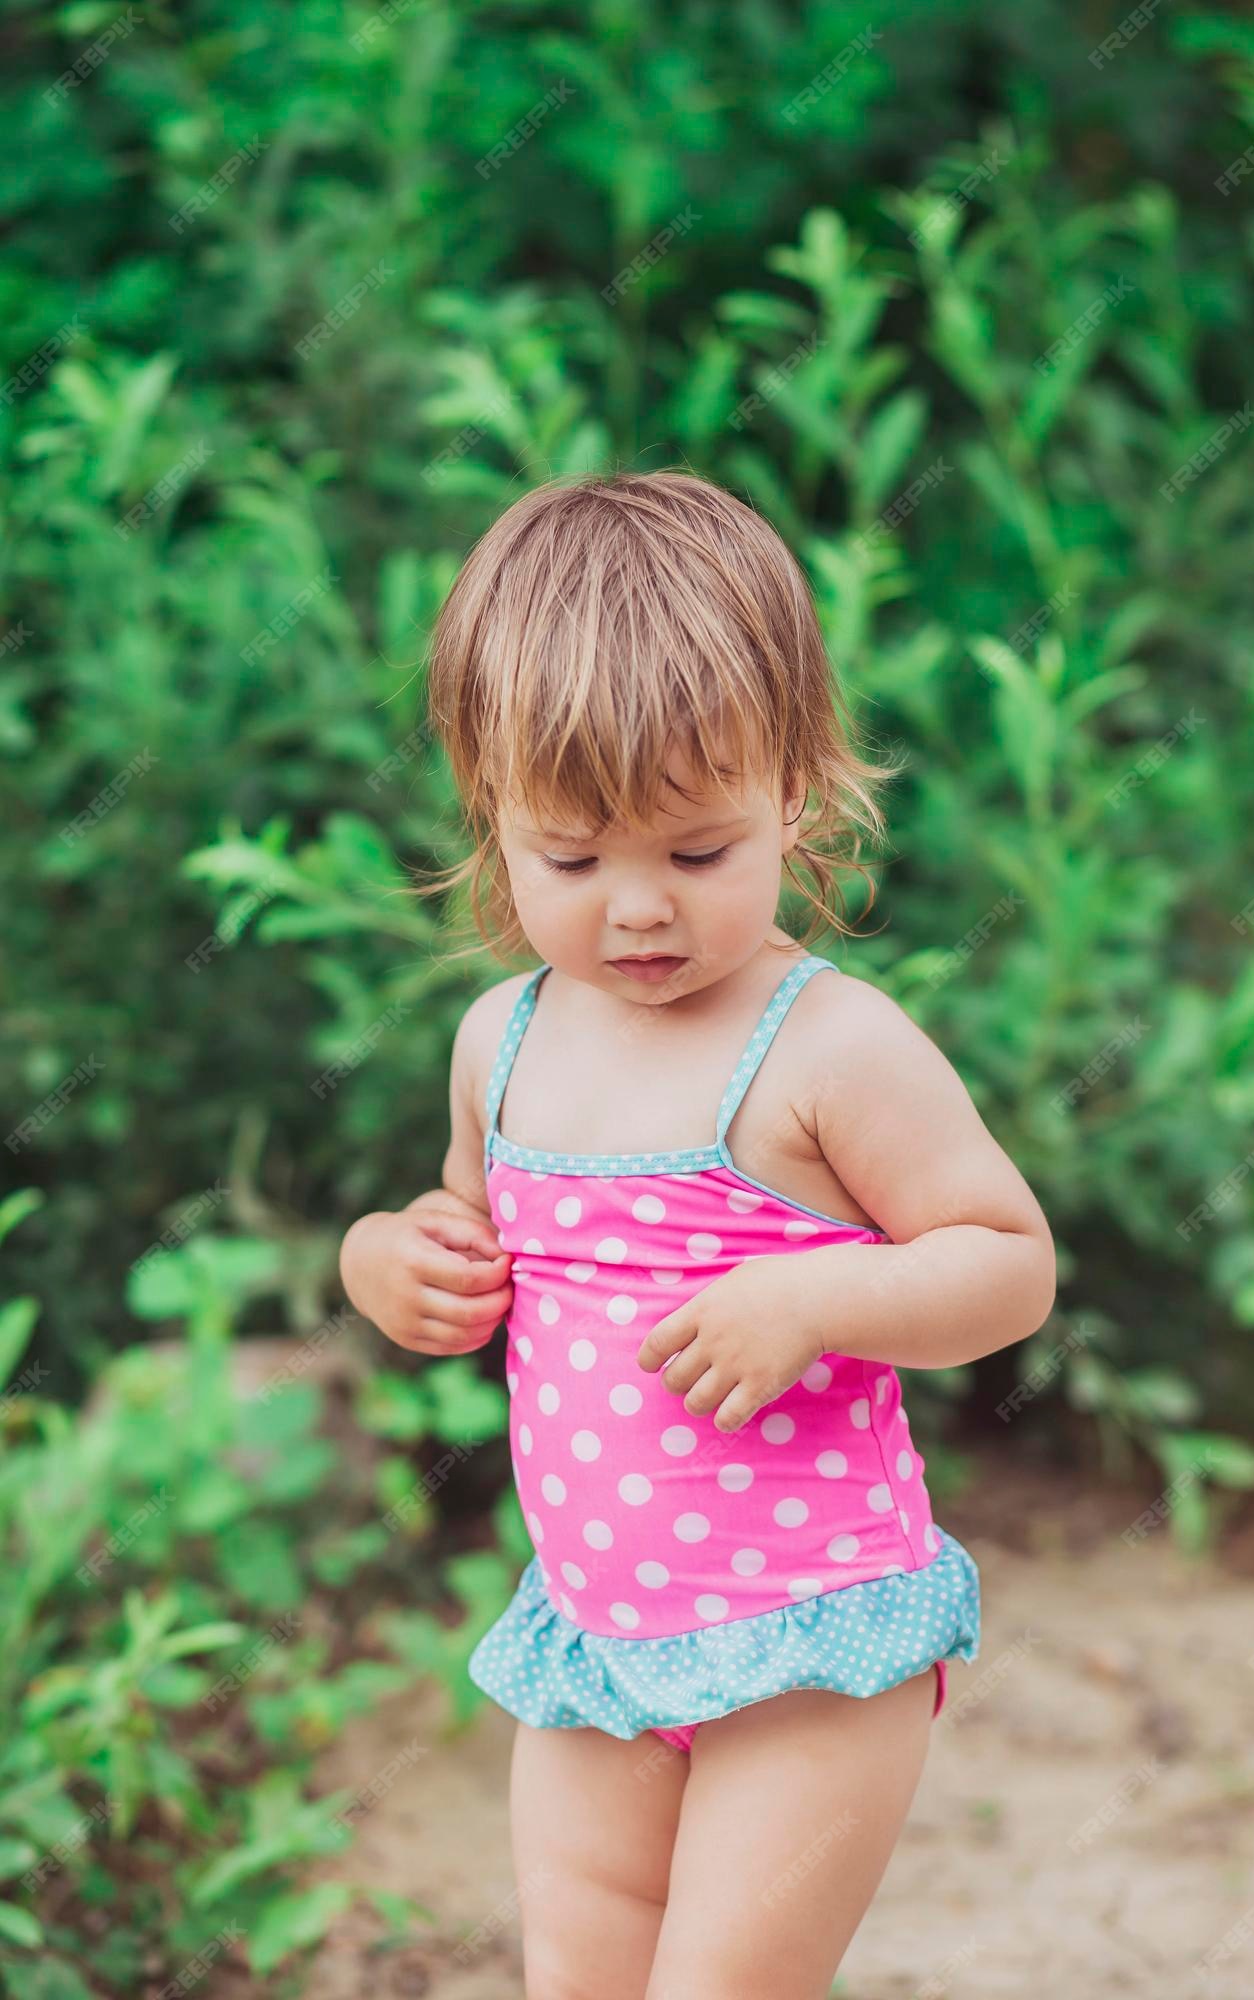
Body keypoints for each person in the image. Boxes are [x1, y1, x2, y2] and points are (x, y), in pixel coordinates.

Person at [339, 468, 1057, 1999]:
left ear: (791, 793)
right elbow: (464, 1232)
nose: (637, 911)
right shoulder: (503, 1039)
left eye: (697, 851)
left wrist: (817, 1300)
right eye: (573, 859)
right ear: (494, 819)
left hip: (810, 1648)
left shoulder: (827, 1049)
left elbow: (1005, 1263)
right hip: (594, 1640)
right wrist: (388, 1258)